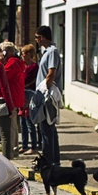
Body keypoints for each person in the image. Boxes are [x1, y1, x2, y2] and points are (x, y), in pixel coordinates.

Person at [34, 25, 62, 166]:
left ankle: (49, 162)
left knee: (46, 129)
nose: (36, 40)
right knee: (48, 129)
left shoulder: (52, 52)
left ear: (42, 37)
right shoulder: (46, 52)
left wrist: (44, 90)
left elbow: (51, 73)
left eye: (37, 37)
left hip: (47, 96)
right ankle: (54, 161)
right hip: (43, 94)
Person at [0, 41, 25, 156]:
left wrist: (0, 62)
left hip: (12, 97)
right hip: (15, 96)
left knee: (10, 125)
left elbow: (2, 76)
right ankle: (14, 148)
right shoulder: (16, 62)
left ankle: (12, 149)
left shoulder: (12, 63)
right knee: (13, 125)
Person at [18, 44, 39, 154]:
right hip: (22, 93)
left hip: (29, 94)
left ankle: (34, 146)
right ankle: (24, 144)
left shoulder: (34, 67)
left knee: (29, 121)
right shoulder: (23, 66)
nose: (22, 56)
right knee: (22, 121)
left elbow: (25, 80)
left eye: (23, 54)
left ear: (29, 55)